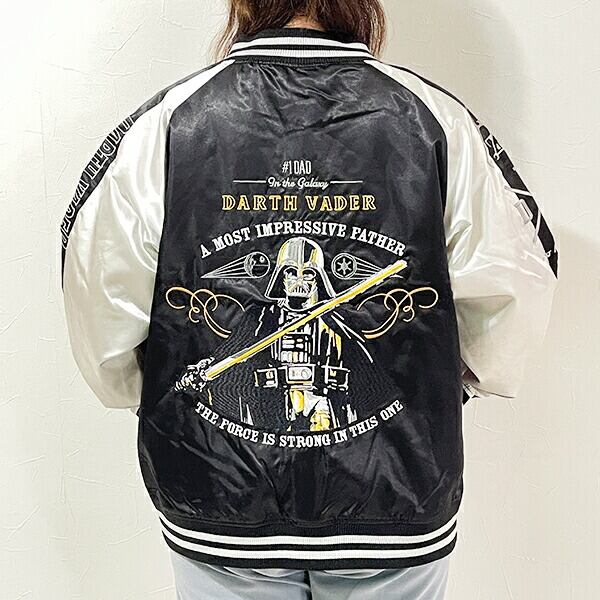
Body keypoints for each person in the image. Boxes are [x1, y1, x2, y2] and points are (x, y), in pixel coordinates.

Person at [59, 1, 559, 598]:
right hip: (395, 496)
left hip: (220, 497)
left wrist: (157, 392)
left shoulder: (166, 124)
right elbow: (516, 289)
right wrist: (446, 385)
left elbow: (99, 301)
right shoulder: (435, 120)